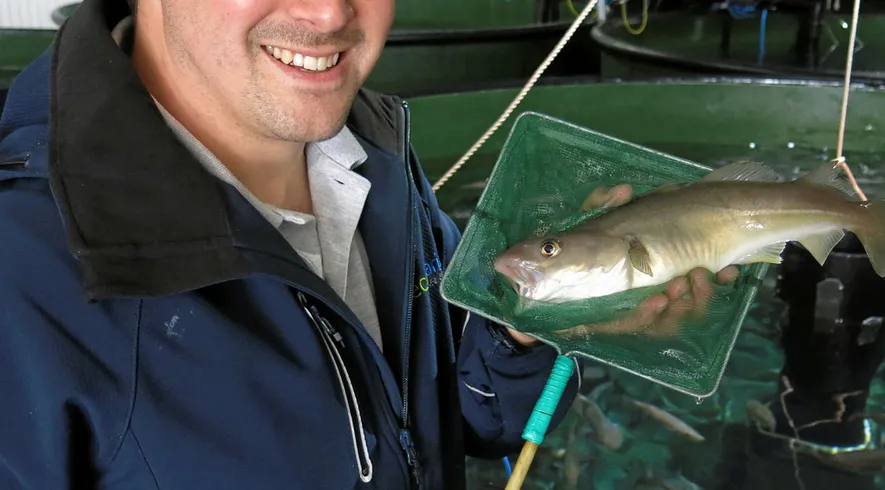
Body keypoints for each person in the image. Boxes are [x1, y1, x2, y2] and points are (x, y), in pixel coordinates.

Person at [0, 0, 736, 488]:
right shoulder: (21, 278)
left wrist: (529, 327)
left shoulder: (372, 157)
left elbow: (463, 417)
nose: (328, 13)